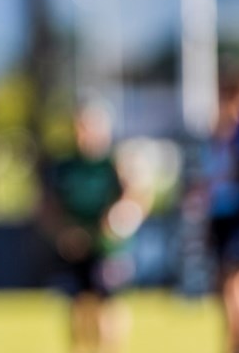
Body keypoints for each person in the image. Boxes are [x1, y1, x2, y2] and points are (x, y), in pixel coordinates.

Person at [37, 100, 150, 353]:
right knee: (78, 308)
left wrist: (120, 217)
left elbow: (137, 196)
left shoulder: (115, 162)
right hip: (76, 247)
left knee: (108, 307)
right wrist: (63, 233)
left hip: (109, 248)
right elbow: (47, 208)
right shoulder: (64, 166)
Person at [194, 69, 239, 353]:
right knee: (228, 288)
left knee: (236, 286)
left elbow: (237, 176)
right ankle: (235, 343)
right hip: (222, 219)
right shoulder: (220, 134)